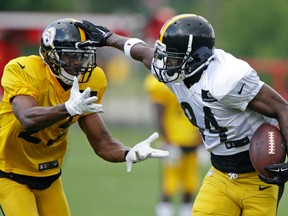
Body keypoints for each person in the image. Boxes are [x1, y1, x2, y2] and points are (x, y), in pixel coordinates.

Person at [75, 13, 288, 215]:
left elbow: (282, 108)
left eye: (173, 58)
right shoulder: (175, 71)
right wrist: (109, 38)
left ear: (196, 58)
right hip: (221, 174)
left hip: (258, 177)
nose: (164, 64)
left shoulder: (227, 78)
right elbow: (142, 52)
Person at [0, 18, 169, 216]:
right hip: (9, 171)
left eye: (82, 57)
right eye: (71, 56)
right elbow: (27, 118)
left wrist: (128, 153)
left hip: (50, 175)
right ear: (51, 55)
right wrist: (68, 108)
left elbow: (102, 142)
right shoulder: (24, 69)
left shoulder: (93, 79)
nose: (78, 64)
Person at [144, 73, 201, 216]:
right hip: (174, 141)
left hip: (192, 141)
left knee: (190, 187)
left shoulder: (196, 78)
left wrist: (202, 142)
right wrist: (168, 141)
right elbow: (159, 116)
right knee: (169, 187)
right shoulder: (160, 83)